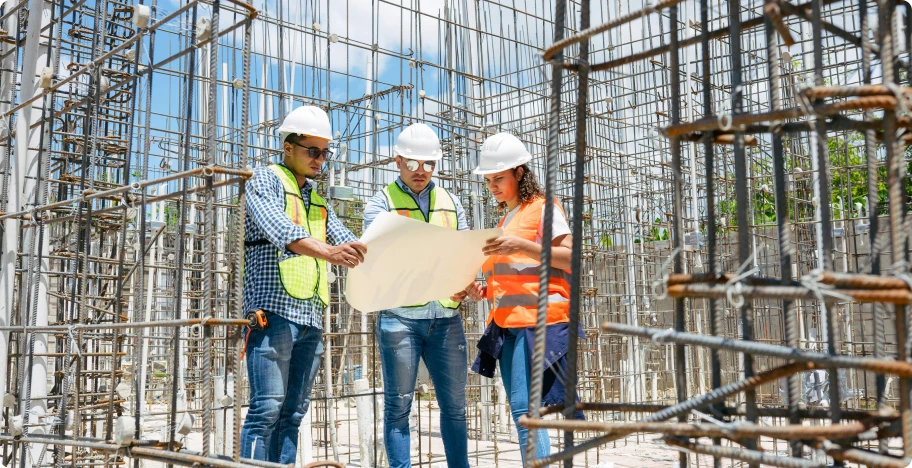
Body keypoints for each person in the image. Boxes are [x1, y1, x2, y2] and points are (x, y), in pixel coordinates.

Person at [241, 105, 367, 463]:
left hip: (310, 315)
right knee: (266, 409)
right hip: (273, 313)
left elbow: (350, 241)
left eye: (325, 152)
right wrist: (330, 252)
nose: (320, 159)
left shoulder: (317, 198)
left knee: (293, 414)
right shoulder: (265, 180)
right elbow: (280, 229)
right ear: (288, 147)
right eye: (313, 151)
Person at [363, 122, 482, 468]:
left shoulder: (451, 201)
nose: (421, 171)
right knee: (398, 407)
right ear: (397, 160)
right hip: (400, 319)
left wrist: (468, 281)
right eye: (413, 163)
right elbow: (377, 257)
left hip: (446, 318)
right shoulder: (380, 203)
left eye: (429, 164)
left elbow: (463, 254)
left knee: (456, 408)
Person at [470, 132, 582, 465]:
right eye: (488, 180)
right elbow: (512, 276)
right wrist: (483, 290)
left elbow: (570, 256)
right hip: (507, 324)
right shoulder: (506, 218)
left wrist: (523, 246)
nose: (492, 186)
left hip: (538, 320)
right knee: (523, 409)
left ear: (520, 172)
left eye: (498, 178)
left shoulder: (543, 208)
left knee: (526, 411)